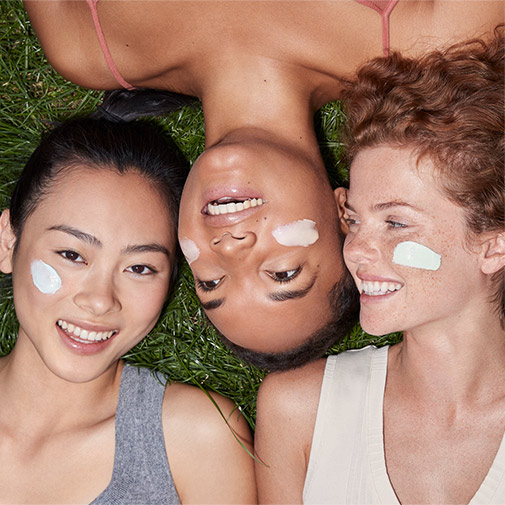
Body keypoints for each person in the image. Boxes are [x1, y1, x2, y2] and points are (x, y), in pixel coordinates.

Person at [22, 0, 503, 363]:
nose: (230, 247)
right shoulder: (434, 37)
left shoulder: (85, 43)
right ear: (345, 215)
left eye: (211, 280)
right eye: (284, 273)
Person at [255, 28, 505, 504]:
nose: (356, 251)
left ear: (493, 247)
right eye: (354, 219)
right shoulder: (300, 409)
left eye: (395, 223)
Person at [0, 106, 256, 504]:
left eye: (139, 267)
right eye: (71, 254)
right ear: (8, 242)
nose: (100, 300)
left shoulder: (193, 442)